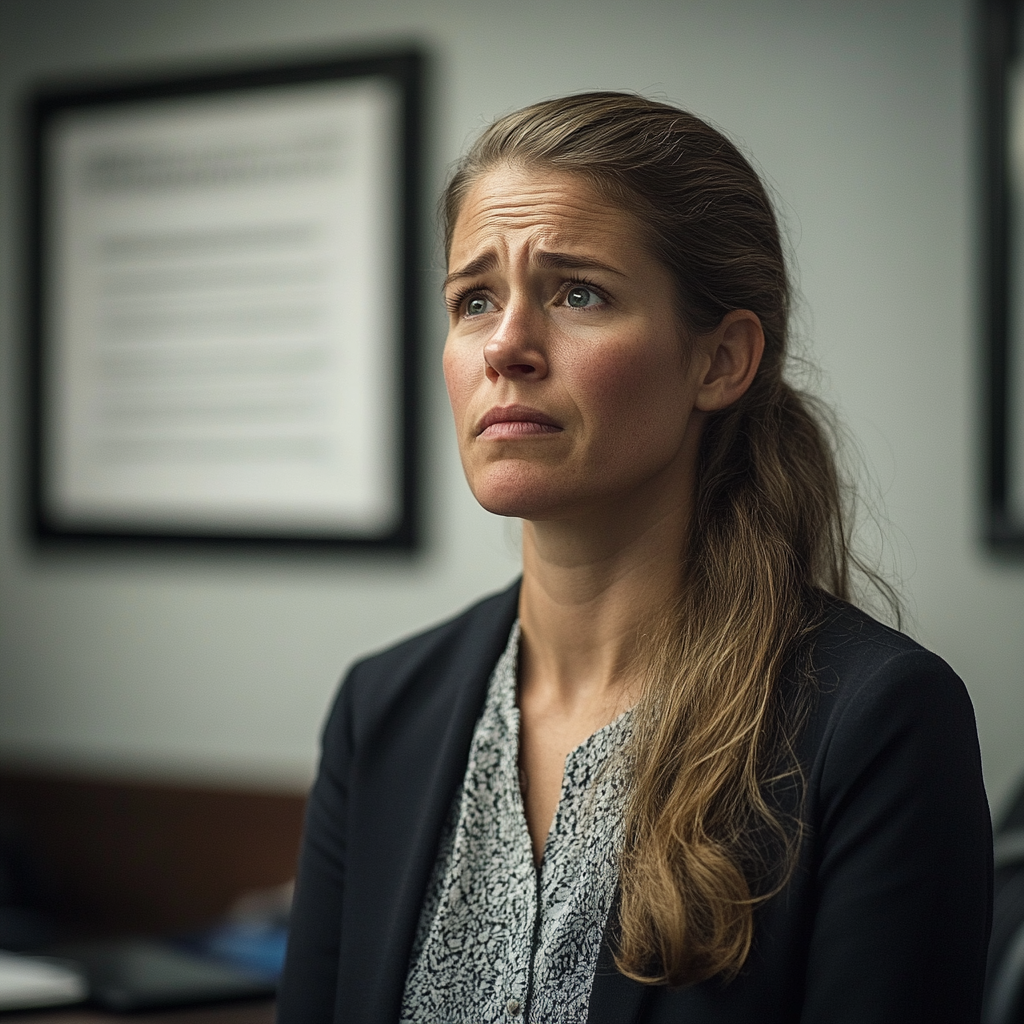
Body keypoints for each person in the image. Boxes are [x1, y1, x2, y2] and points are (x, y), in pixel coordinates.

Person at [277, 92, 992, 1024]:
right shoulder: (382, 710)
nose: (506, 346)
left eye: (579, 293)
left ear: (721, 361)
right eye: (474, 299)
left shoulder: (876, 723)